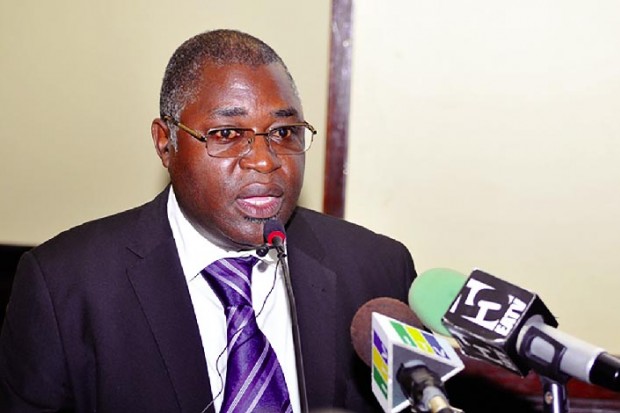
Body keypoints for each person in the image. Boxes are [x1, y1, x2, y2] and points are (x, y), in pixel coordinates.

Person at [0, 29, 415, 412]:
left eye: (283, 132)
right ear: (166, 143)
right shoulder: (65, 286)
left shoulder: (378, 270)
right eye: (227, 134)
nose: (264, 160)